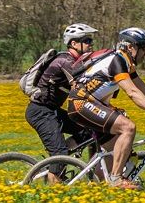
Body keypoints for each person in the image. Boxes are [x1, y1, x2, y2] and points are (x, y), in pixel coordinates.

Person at [68, 27, 145, 189]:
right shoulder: (117, 61)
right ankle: (115, 179)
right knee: (128, 128)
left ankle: (100, 185)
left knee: (111, 148)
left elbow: (143, 89)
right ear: (130, 47)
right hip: (80, 104)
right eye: (144, 49)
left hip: (90, 104)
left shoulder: (126, 62)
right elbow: (133, 92)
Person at [24, 22, 100, 183]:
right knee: (60, 153)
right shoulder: (66, 61)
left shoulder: (74, 62)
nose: (90, 44)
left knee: (88, 132)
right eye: (86, 41)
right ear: (74, 43)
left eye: (90, 41)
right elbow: (82, 88)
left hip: (52, 111)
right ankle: (55, 185)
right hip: (40, 111)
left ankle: (54, 164)